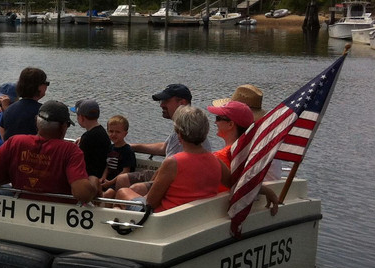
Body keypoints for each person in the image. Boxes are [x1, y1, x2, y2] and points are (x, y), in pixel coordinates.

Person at [114, 106, 278, 215]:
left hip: (166, 219)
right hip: (196, 216)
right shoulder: (215, 161)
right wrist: (266, 190)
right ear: (205, 133)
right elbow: (237, 183)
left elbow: (151, 202)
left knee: (122, 192)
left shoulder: (172, 163)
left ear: (179, 134)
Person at [0, 100, 98, 203]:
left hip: (21, 209)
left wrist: (12, 177)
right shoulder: (70, 151)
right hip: (59, 216)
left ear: (36, 121)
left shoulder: (15, 142)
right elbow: (82, 194)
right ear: (63, 126)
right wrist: (93, 180)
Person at [111, 83, 211, 196]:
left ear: (182, 103)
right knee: (122, 179)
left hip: (175, 180)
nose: (161, 105)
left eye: (166, 101)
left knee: (133, 189)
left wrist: (150, 185)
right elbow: (165, 148)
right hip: (172, 175)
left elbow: (166, 168)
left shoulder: (186, 131)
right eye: (161, 101)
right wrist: (131, 147)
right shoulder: (180, 127)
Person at [207, 99, 253, 192]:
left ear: (231, 124)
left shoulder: (220, 157)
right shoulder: (251, 150)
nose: (215, 122)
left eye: (218, 118)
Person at [0, 67, 48, 138]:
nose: (47, 86)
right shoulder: (43, 112)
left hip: (13, 148)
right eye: (46, 83)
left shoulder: (8, 110)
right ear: (39, 87)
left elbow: (2, 131)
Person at [72, 98, 111, 177]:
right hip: (100, 174)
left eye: (77, 115)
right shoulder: (102, 132)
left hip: (90, 176)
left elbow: (78, 160)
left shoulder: (87, 138)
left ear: (82, 118)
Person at [101, 114, 137, 186]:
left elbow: (125, 171)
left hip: (120, 183)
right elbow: (107, 166)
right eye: (111, 131)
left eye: (117, 132)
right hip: (108, 180)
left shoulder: (127, 151)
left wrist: (110, 183)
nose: (114, 134)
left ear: (125, 134)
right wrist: (103, 178)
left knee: (109, 193)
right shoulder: (110, 148)